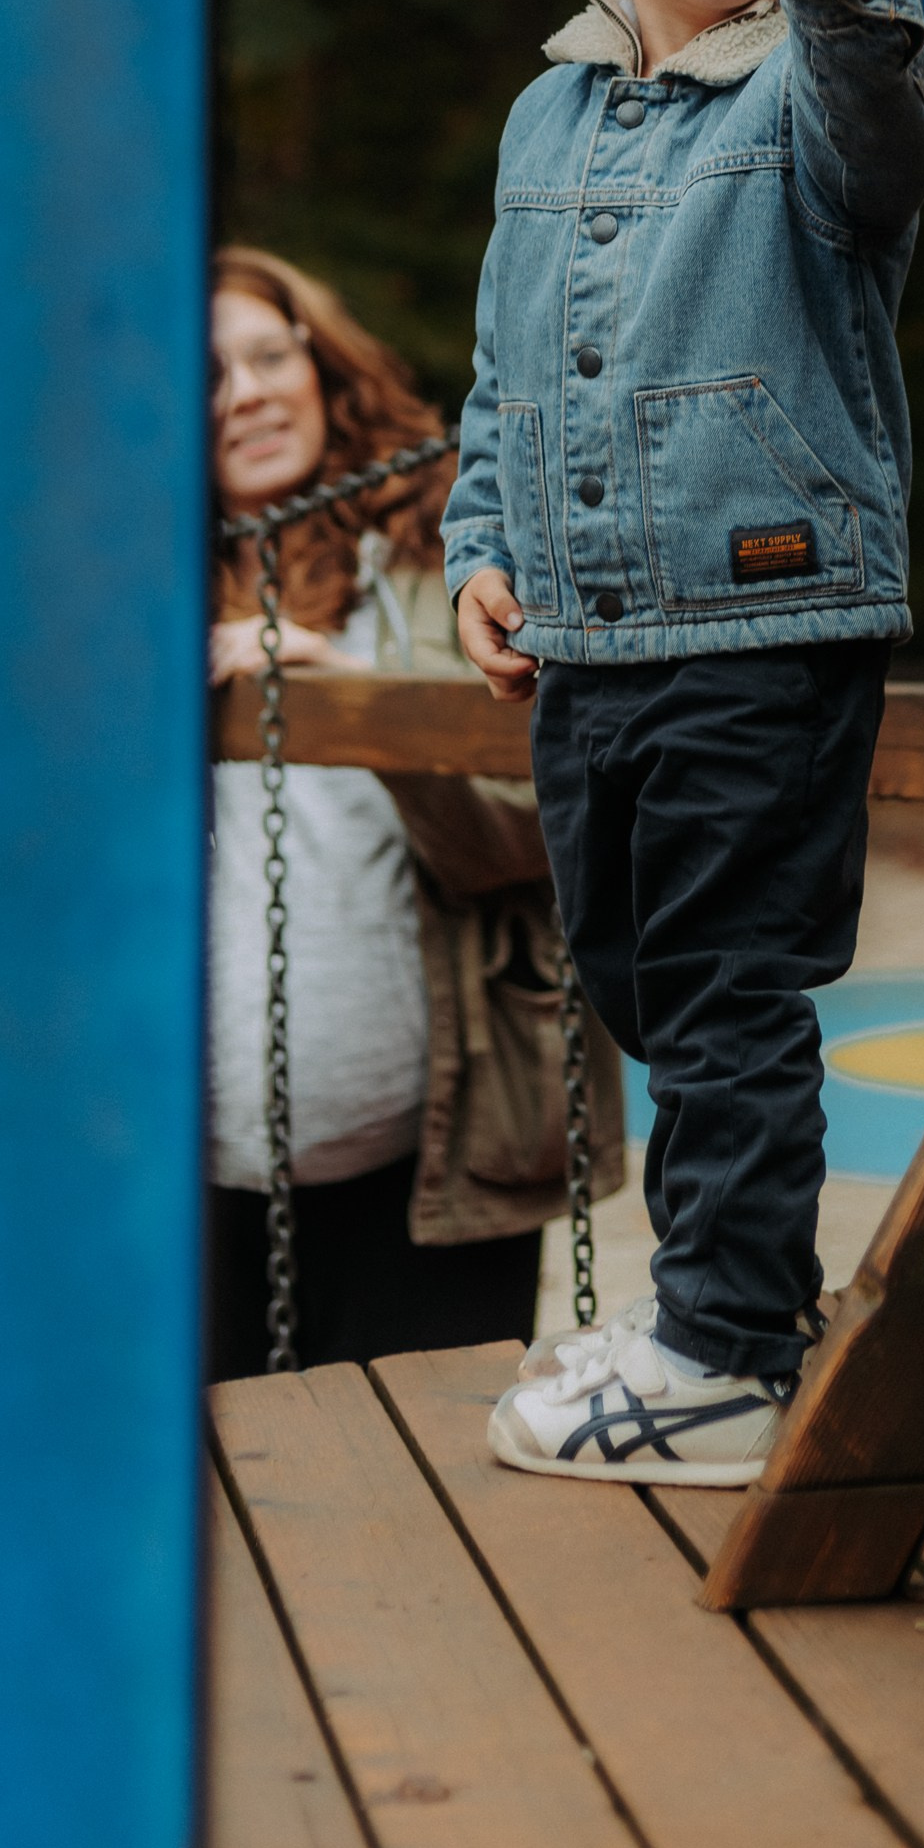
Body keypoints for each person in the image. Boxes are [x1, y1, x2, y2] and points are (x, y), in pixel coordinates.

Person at [443, 0, 924, 1482]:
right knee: (640, 981)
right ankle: (712, 1307)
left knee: (727, 983)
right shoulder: (547, 120)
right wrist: (481, 545)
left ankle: (728, 1352)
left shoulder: (816, 85)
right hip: (589, 638)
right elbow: (504, 368)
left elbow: (900, 124)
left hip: (761, 616)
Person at [207, 248, 620, 1380]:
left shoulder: (452, 546)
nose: (245, 395)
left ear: (322, 364)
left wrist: (355, 695)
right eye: (207, 376)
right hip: (183, 1173)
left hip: (436, 1161)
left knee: (418, 1469)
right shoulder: (122, 586)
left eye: (268, 356)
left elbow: (537, 821)